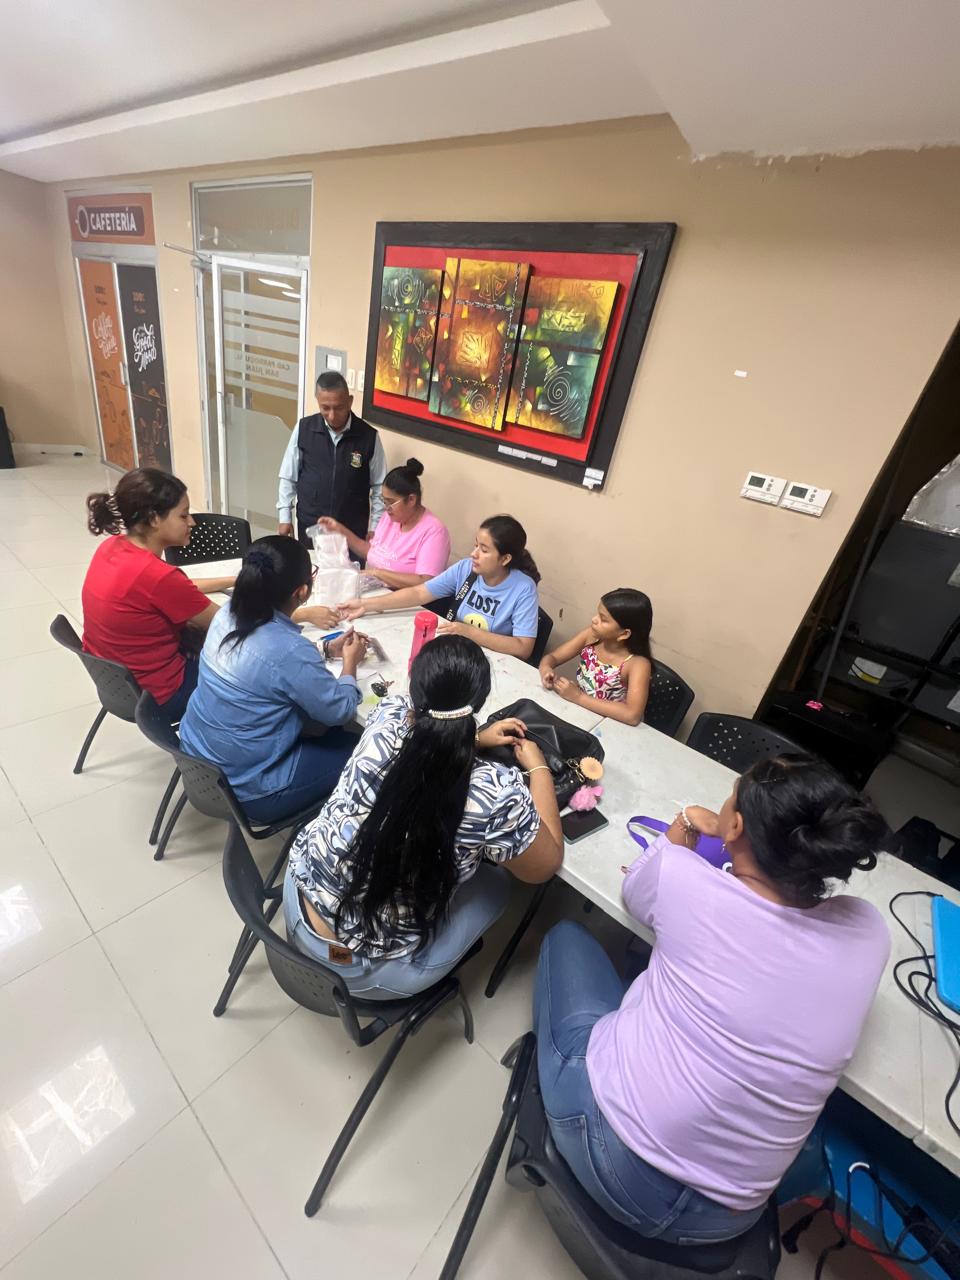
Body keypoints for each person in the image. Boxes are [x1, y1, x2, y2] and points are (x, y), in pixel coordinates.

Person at [535, 754, 891, 1245]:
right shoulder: (869, 931)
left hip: (612, 1160)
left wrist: (684, 823)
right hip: (728, 1220)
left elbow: (636, 889)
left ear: (735, 826)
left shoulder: (682, 877)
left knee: (566, 937)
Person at [284, 635, 564, 999]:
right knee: (496, 885)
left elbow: (423, 739)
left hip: (297, 899)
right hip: (356, 968)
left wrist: (473, 740)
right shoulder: (494, 795)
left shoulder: (388, 717)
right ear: (478, 703)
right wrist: (539, 768)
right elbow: (544, 866)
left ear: (415, 685)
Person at [179, 537, 369, 824]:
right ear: (302, 591)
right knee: (364, 749)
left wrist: (326, 648)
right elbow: (339, 711)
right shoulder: (290, 650)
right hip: (249, 791)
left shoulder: (225, 614)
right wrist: (350, 663)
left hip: (198, 758)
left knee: (311, 722)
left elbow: (264, 660)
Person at [83, 469, 236, 723]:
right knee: (250, 670)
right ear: (154, 518)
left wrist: (233, 580)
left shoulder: (112, 547)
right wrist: (298, 612)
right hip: (162, 694)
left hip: (119, 686)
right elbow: (230, 623)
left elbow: (177, 590)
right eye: (183, 515)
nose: (192, 523)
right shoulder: (157, 576)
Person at [339, 515, 540, 660]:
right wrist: (366, 604)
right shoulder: (465, 568)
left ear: (505, 559)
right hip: (456, 654)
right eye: (476, 545)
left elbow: (523, 647)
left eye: (484, 550)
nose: (474, 554)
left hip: (491, 662)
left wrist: (469, 632)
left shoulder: (523, 588)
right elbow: (419, 592)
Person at [277, 370, 386, 547]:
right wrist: (284, 517)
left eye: (339, 408)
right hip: (311, 526)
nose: (332, 415)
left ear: (350, 401)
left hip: (351, 532)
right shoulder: (304, 429)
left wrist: (375, 527)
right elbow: (288, 476)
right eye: (325, 408)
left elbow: (379, 486)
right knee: (310, 565)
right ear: (318, 402)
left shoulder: (369, 437)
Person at [316, 457, 450, 590]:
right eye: (384, 501)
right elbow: (372, 551)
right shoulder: (390, 517)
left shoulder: (434, 531)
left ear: (411, 500)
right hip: (376, 589)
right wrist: (339, 529)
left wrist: (378, 574)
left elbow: (426, 581)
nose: (386, 508)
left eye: (390, 502)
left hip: (405, 598)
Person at [539, 589, 653, 726]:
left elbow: (632, 715)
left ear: (624, 634)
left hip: (610, 726)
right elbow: (553, 657)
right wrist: (546, 669)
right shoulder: (591, 637)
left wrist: (578, 697)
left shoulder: (637, 664)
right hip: (580, 714)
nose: (594, 619)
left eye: (603, 619)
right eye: (597, 614)